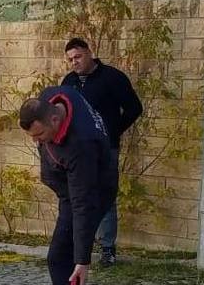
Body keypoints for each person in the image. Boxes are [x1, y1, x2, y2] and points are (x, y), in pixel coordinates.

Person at [19, 87, 116, 285]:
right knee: (59, 260)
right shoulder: (56, 95)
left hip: (91, 193)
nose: (37, 142)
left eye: (39, 136)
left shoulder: (80, 144)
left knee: (62, 259)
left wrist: (83, 260)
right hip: (70, 190)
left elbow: (84, 205)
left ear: (54, 121)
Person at [60, 38, 143, 267]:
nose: (74, 62)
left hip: (105, 149)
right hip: (77, 152)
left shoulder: (112, 77)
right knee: (77, 197)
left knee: (105, 197)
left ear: (89, 53)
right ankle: (79, 247)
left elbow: (135, 108)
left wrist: (112, 131)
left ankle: (108, 248)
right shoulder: (69, 82)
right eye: (70, 59)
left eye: (78, 57)